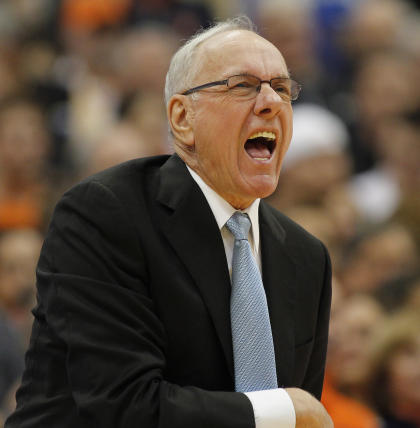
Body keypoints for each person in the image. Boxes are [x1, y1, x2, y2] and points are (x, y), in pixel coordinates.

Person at [6, 17, 332, 428]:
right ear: (181, 118)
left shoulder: (306, 257)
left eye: (282, 88)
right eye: (243, 85)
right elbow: (125, 407)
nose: (270, 102)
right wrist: (280, 410)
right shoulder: (105, 214)